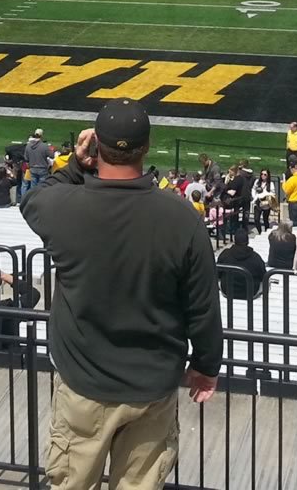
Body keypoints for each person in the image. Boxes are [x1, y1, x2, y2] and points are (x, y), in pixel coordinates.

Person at [21, 99, 222, 490]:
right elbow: (203, 307)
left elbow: (32, 198)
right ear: (147, 146)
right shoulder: (181, 216)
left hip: (84, 384)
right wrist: (206, 365)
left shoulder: (64, 207)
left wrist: (77, 164)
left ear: (97, 145)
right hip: (152, 384)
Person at [216, 229, 267, 301]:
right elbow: (263, 276)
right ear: (248, 242)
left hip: (227, 291)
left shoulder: (225, 254)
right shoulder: (255, 257)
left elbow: (217, 274)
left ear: (234, 241)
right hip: (251, 292)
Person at [22, 128, 51, 197]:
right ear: (41, 136)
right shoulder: (44, 146)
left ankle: (33, 199)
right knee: (42, 187)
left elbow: (26, 158)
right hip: (43, 168)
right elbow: (51, 155)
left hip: (33, 168)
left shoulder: (28, 146)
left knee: (33, 186)